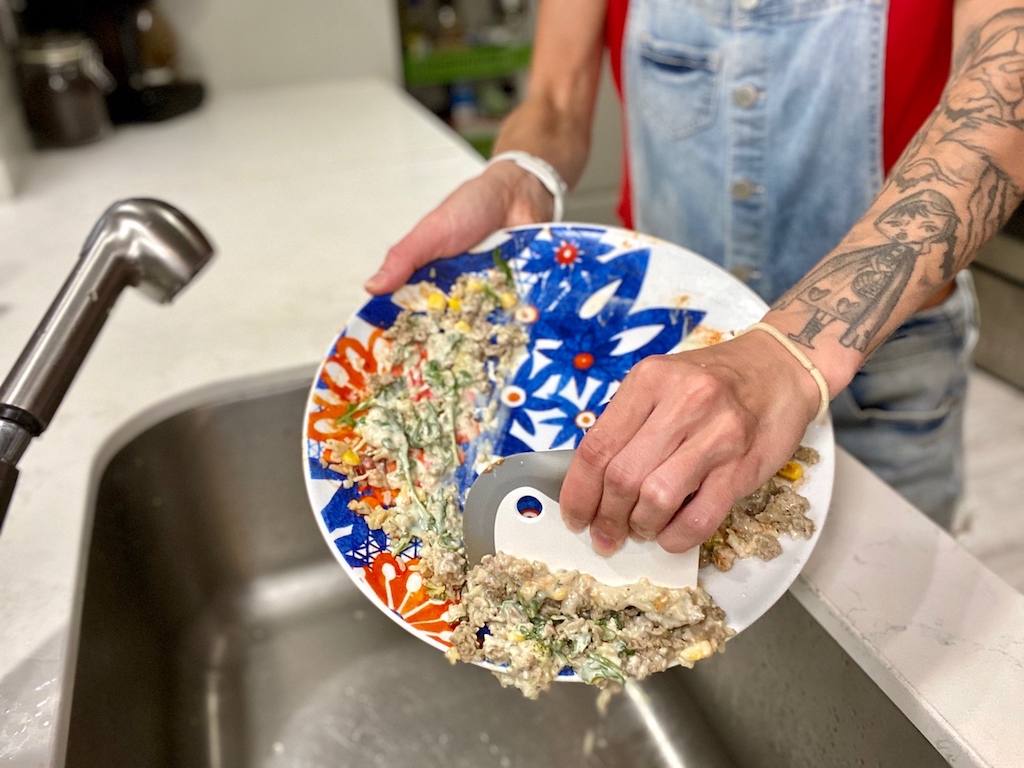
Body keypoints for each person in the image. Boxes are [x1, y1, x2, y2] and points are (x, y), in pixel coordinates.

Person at [365, 0, 1024, 557]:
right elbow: (556, 98)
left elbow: (1005, 88)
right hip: (665, 361)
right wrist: (522, 170)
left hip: (884, 378)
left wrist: (790, 350)